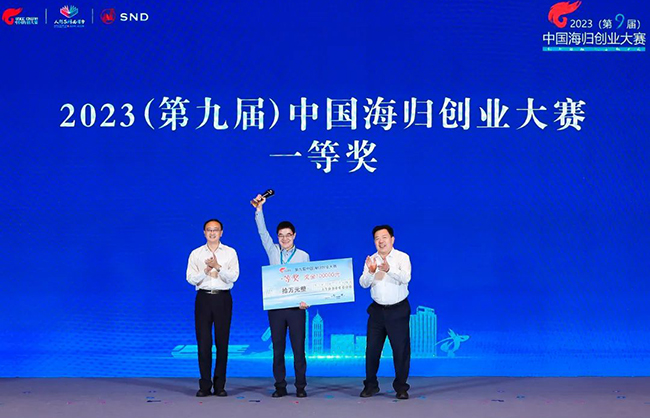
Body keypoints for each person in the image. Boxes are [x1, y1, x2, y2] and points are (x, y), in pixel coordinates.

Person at [251, 194, 309, 398]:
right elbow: (262, 232)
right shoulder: (273, 251)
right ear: (277, 237)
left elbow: (309, 282)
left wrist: (307, 301)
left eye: (288, 235)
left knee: (299, 349)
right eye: (281, 235)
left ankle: (300, 387)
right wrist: (259, 210)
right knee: (278, 350)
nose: (285, 239)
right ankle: (280, 386)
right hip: (276, 308)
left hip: (296, 309)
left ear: (294, 235)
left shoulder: (303, 256)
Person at [186, 219, 240, 397]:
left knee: (222, 342)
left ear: (221, 232)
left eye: (215, 230)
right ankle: (204, 385)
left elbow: (233, 277)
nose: (212, 233)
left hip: (223, 298)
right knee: (203, 342)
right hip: (203, 298)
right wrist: (206, 271)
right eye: (209, 230)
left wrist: (218, 267)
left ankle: (220, 385)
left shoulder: (230, 252)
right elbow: (190, 278)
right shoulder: (196, 253)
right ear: (204, 232)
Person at [359, 225, 412, 400]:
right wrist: (371, 272)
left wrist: (389, 269)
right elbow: (363, 283)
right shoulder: (371, 259)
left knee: (400, 351)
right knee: (372, 350)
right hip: (377, 311)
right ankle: (371, 385)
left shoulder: (402, 257)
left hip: (398, 310)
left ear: (392, 239)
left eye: (384, 237)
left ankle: (401, 387)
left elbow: (406, 278)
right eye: (377, 238)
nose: (381, 241)